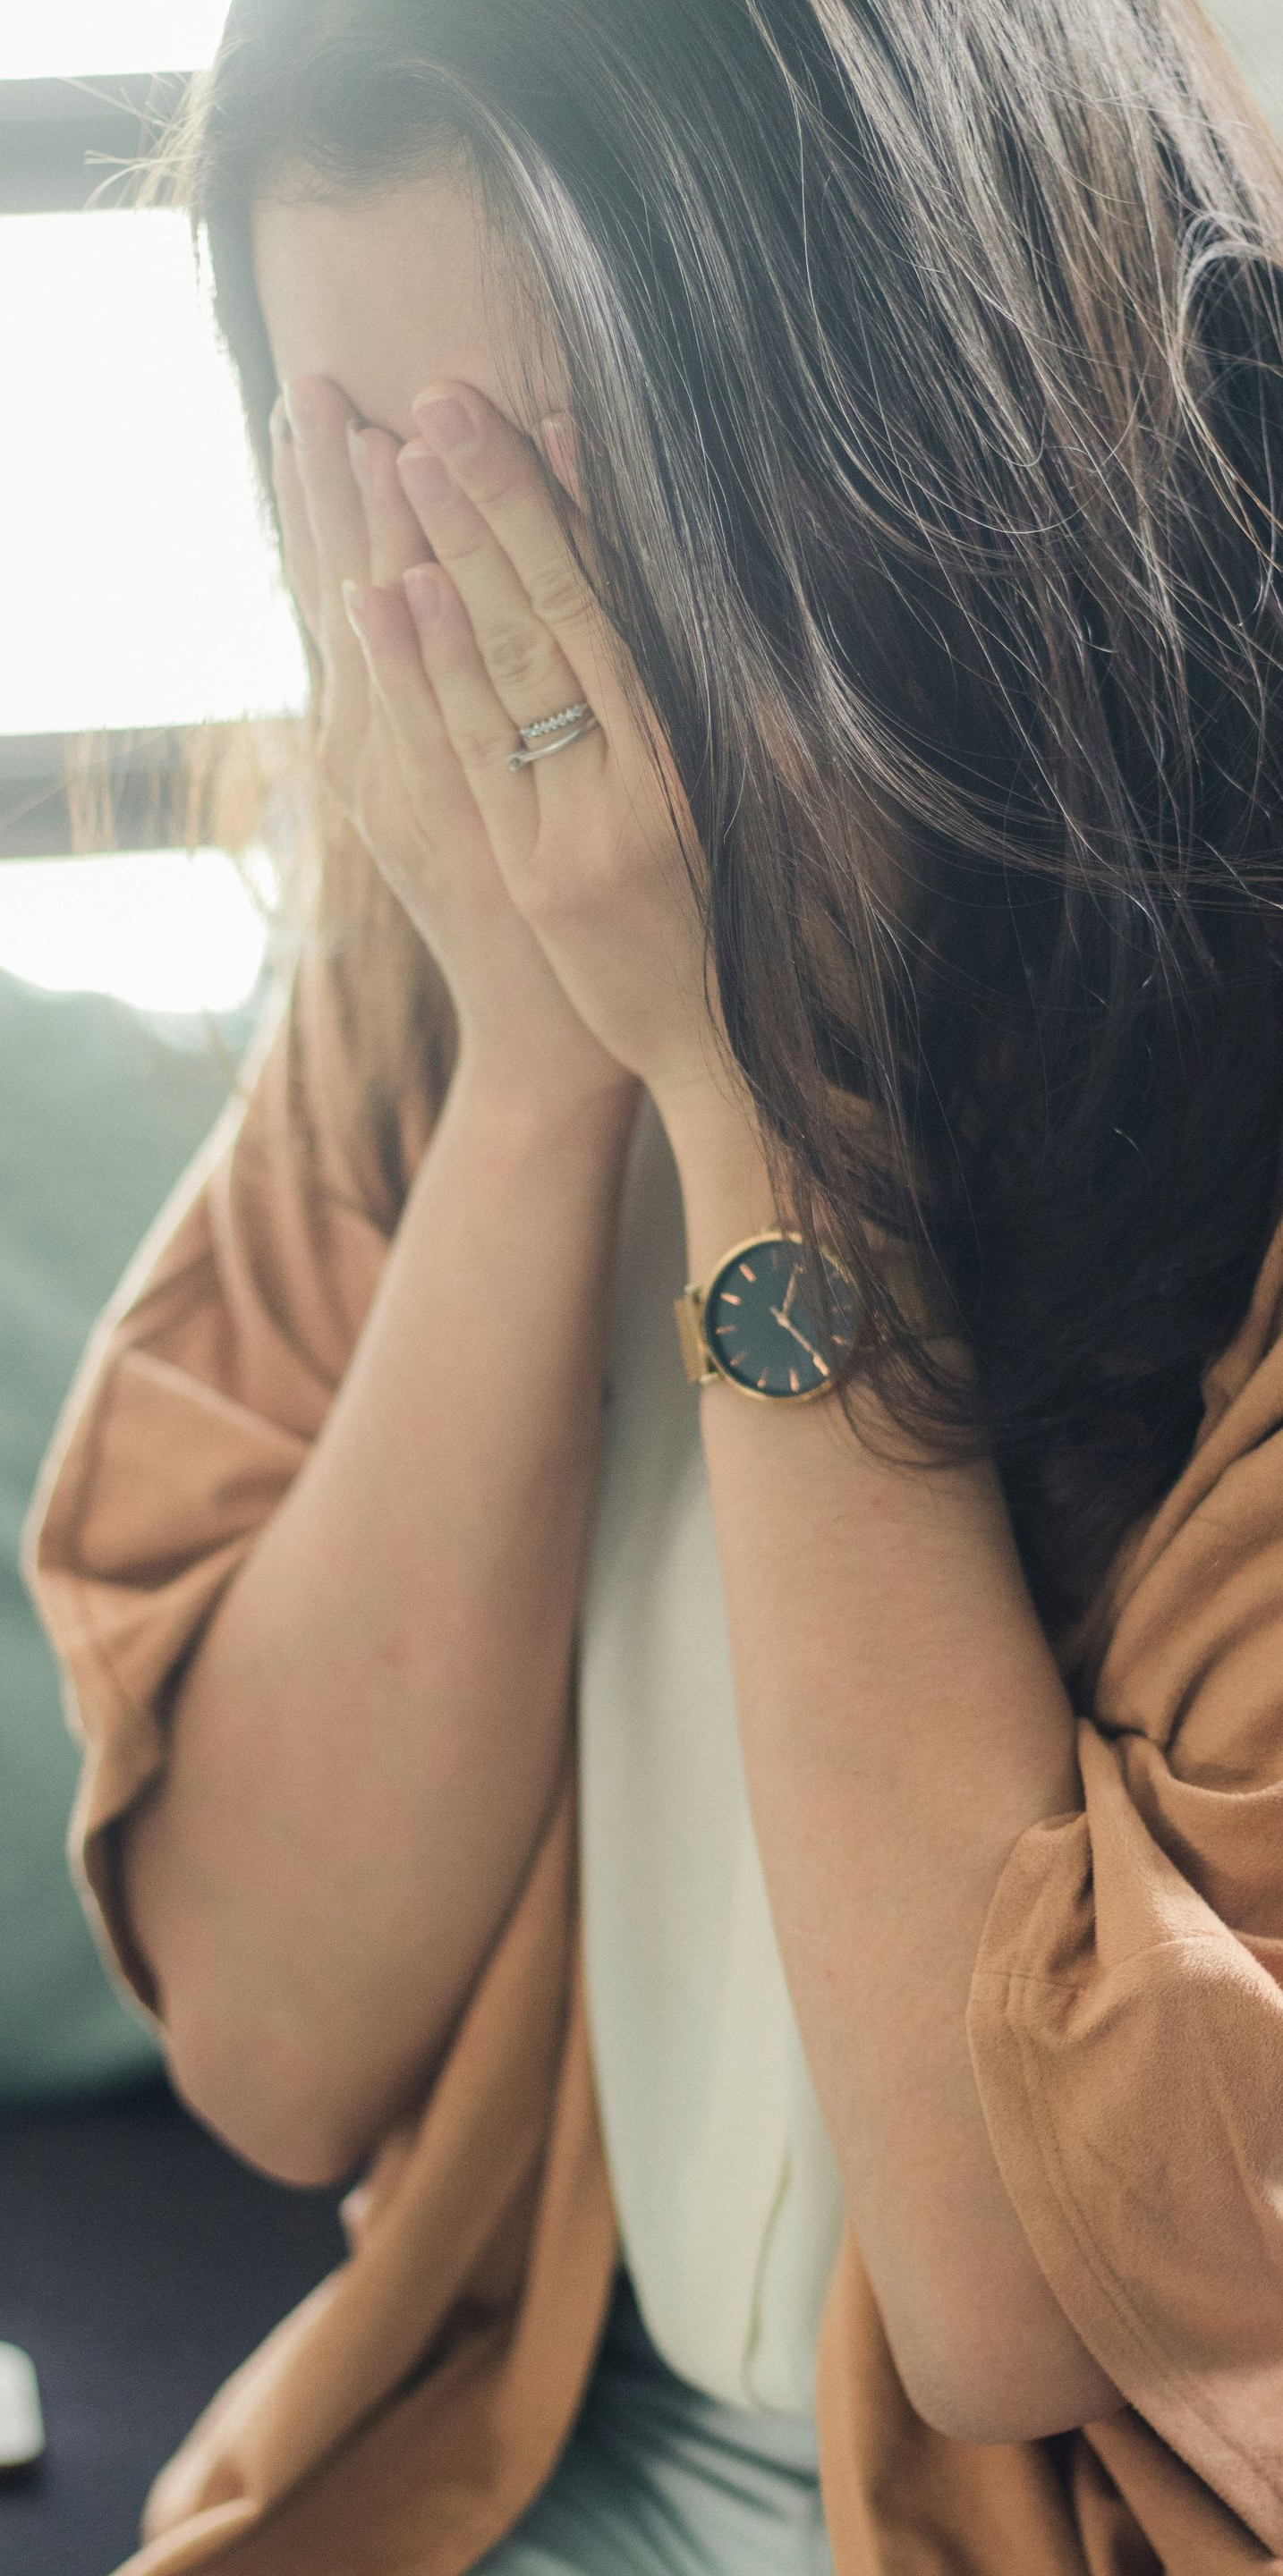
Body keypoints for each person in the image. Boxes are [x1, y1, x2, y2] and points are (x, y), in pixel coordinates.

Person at [24, 0, 1283, 2569]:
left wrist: (758, 1102)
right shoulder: (432, 974)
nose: (464, 645)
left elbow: (1031, 2297)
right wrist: (531, 1070)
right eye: (362, 492)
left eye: (533, 498)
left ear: (925, 431)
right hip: (506, 2458)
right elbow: (272, 2037)